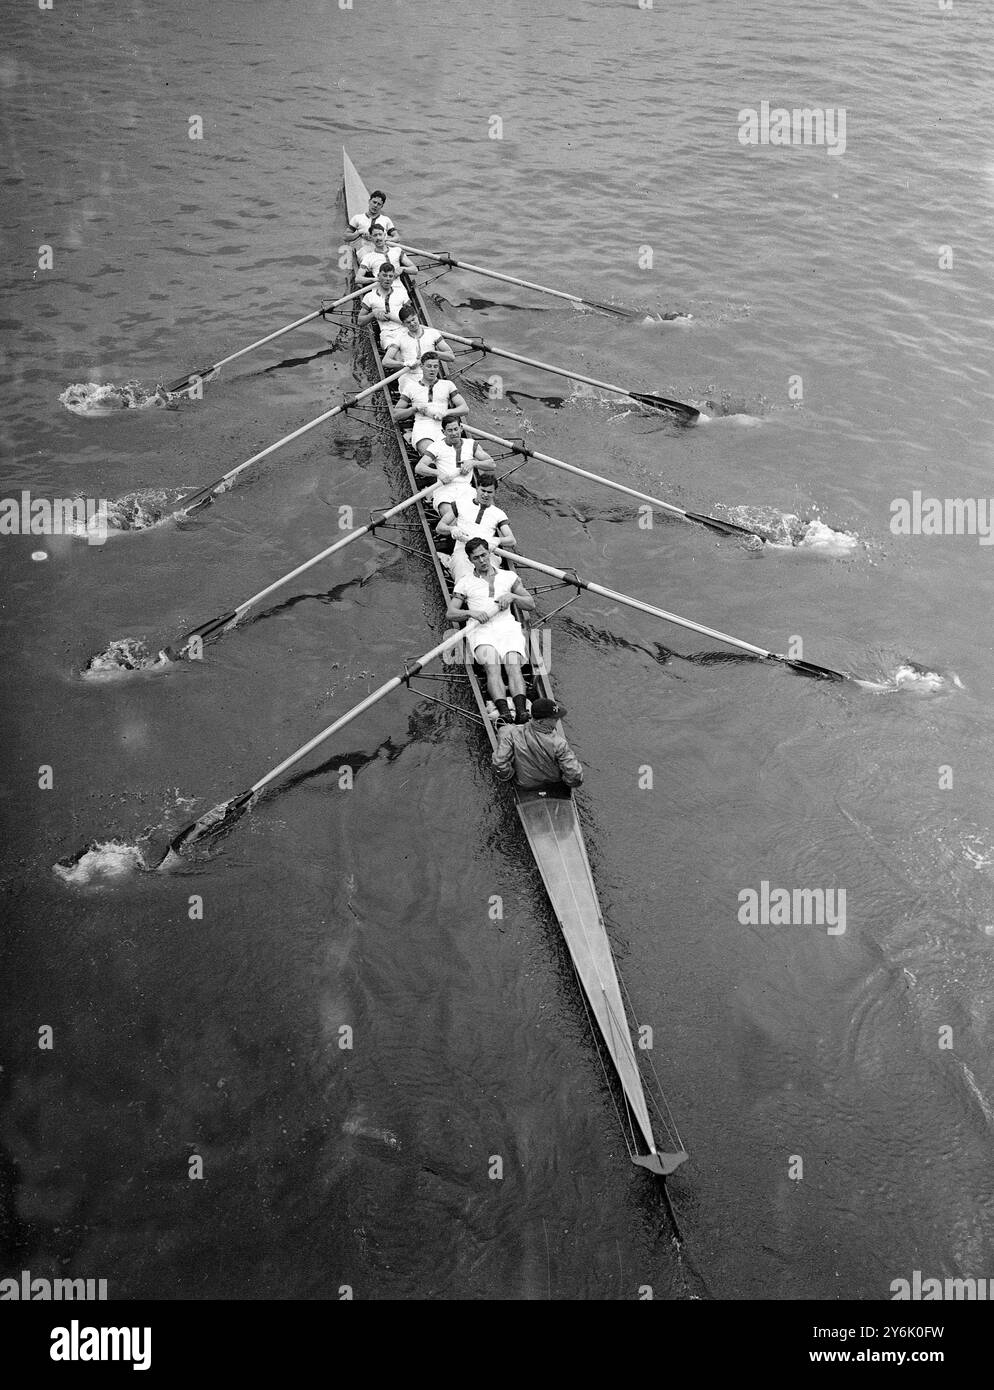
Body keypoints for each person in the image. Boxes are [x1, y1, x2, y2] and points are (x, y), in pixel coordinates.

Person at [447, 537, 535, 725]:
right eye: (477, 558)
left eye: (484, 555)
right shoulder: (465, 582)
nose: (482, 561)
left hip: (507, 627)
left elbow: (530, 603)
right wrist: (471, 612)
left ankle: (521, 712)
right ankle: (504, 713)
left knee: (513, 665)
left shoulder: (509, 577)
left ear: (490, 554)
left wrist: (512, 596)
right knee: (492, 665)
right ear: (470, 560)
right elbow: (451, 613)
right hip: (481, 629)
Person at [436, 472, 516, 582]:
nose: (485, 495)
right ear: (477, 488)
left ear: (494, 493)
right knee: (466, 582)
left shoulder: (498, 514)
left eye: (489, 492)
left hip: (487, 555)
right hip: (463, 552)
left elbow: (511, 540)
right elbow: (440, 527)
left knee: (493, 585)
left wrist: (496, 540)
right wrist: (452, 529)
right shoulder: (461, 504)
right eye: (483, 490)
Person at [492, 697, 584, 790]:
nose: (557, 719)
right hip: (553, 785)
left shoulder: (512, 733)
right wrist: (567, 782)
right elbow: (574, 774)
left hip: (524, 785)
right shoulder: (559, 743)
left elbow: (499, 762)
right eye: (554, 718)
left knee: (503, 730)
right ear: (541, 721)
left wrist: (509, 776)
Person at [415, 414, 493, 514]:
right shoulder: (436, 447)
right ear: (443, 432)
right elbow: (419, 468)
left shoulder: (471, 444)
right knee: (450, 515)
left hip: (466, 489)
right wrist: (438, 473)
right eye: (450, 430)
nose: (454, 433)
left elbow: (491, 464)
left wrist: (473, 463)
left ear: (461, 428)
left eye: (456, 429)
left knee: (476, 515)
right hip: (444, 490)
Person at [392, 353, 467, 454]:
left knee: (448, 457)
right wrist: (414, 409)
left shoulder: (448, 385)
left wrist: (446, 412)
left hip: (444, 427)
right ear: (422, 367)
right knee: (433, 454)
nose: (432, 369)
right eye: (429, 366)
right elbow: (396, 414)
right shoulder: (411, 387)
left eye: (435, 366)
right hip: (422, 428)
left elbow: (464, 409)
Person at [382, 304, 455, 371]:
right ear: (403, 324)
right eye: (408, 322)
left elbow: (451, 356)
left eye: (413, 319)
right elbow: (385, 361)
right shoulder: (400, 338)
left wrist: (433, 354)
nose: (412, 324)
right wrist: (404, 364)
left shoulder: (433, 333)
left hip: (430, 374)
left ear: (417, 316)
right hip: (410, 376)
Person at [357, 262, 410, 347]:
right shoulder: (369, 296)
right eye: (384, 275)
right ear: (378, 276)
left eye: (390, 276)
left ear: (393, 278)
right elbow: (360, 321)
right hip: (387, 335)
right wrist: (373, 314)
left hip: (405, 330)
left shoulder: (402, 293)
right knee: (397, 354)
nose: (388, 279)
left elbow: (412, 316)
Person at [345, 188, 397, 260]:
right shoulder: (357, 218)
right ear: (369, 201)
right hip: (365, 252)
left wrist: (385, 240)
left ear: (382, 206)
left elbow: (397, 237)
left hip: (382, 250)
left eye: (379, 204)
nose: (375, 206)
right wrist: (359, 233)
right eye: (374, 202)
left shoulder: (386, 220)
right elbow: (346, 237)